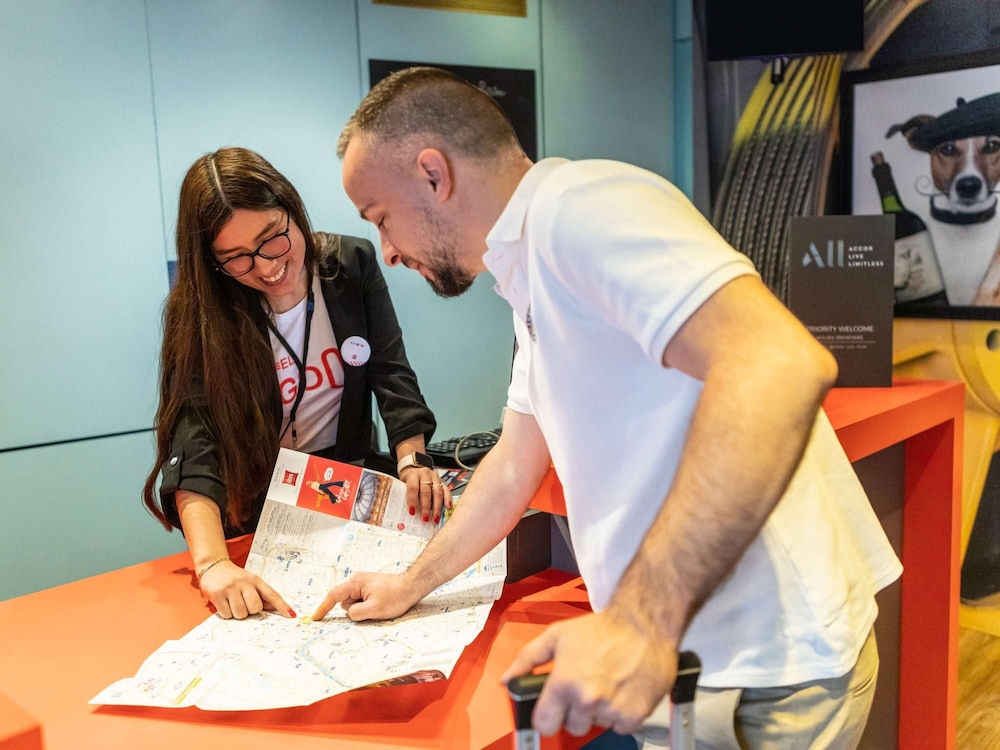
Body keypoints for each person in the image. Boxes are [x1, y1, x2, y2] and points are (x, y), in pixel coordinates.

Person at [312, 67, 902, 749]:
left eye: (380, 218)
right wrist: (410, 583)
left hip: (767, 666)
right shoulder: (528, 270)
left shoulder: (581, 208)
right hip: (688, 665)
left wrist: (639, 622)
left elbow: (778, 365)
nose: (386, 250)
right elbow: (511, 466)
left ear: (433, 174)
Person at [142, 147, 449, 621]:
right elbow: (195, 435)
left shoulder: (351, 265)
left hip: (345, 490)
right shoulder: (205, 311)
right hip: (259, 508)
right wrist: (213, 563)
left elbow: (390, 370)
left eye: (273, 240)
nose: (266, 268)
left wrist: (413, 459)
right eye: (237, 258)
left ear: (292, 210)